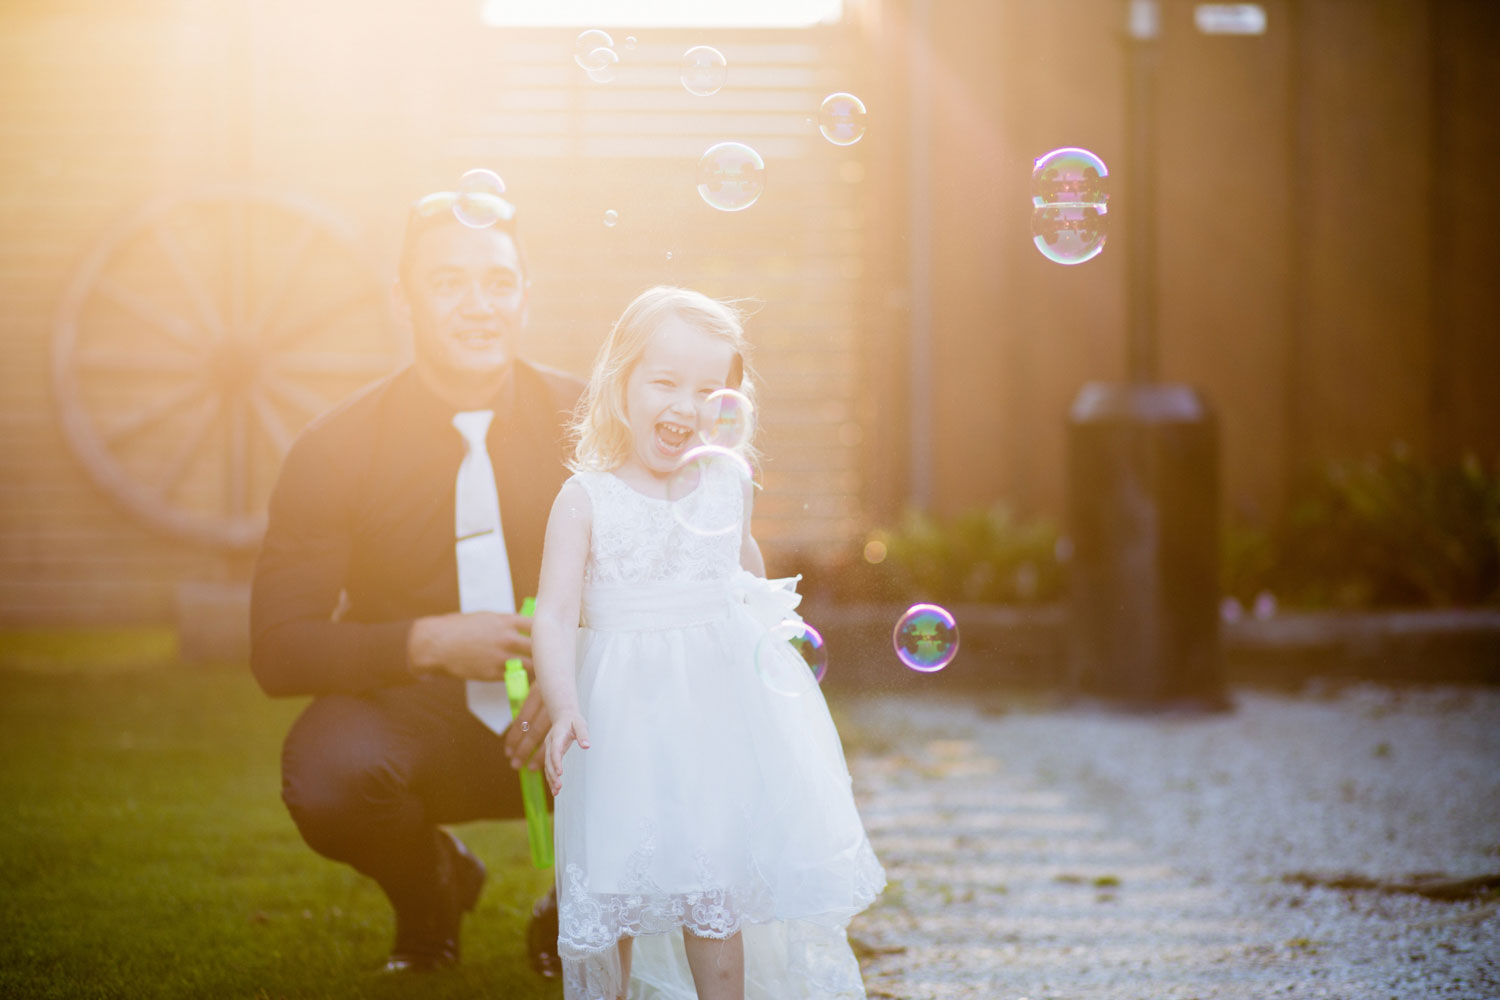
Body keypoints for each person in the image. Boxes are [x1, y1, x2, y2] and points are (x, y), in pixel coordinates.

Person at [249, 185, 582, 974]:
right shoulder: (335, 449)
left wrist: (579, 671)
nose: (479, 306)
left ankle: (577, 916)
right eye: (448, 283)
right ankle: (431, 891)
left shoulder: (588, 422)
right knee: (329, 775)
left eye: (499, 282)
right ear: (404, 300)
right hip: (418, 715)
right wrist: (429, 642)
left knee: (679, 726)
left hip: (575, 709)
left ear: (525, 296)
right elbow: (278, 650)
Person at [531, 286, 886, 999]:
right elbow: (555, 611)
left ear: (730, 402)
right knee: (616, 883)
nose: (685, 405)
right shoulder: (586, 499)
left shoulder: (727, 485)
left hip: (713, 719)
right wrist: (564, 704)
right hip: (620, 724)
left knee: (713, 881)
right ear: (619, 384)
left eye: (708, 389)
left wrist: (774, 657)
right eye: (664, 382)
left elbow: (743, 571)